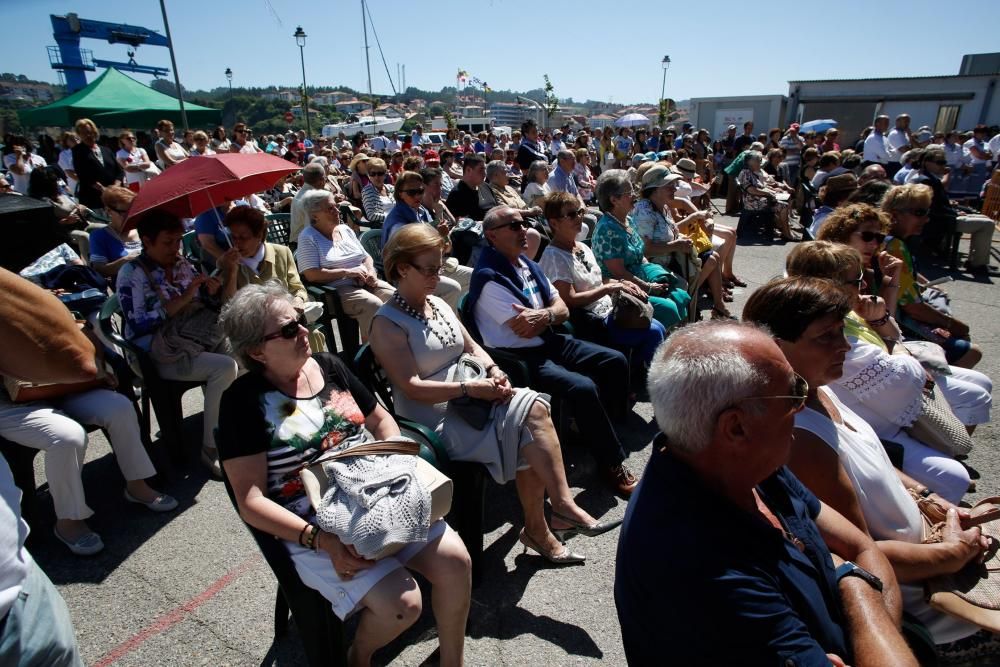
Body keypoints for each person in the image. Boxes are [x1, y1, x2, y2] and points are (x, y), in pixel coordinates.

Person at [616, 320, 916, 667]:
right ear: (736, 427)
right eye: (792, 392)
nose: (803, 404)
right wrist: (858, 587)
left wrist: (854, 588)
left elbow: (861, 547)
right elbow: (858, 559)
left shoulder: (749, 467)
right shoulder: (707, 573)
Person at [742, 277, 998, 660]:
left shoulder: (819, 391)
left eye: (841, 330)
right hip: (932, 606)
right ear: (775, 348)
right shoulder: (799, 440)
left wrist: (934, 501)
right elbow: (864, 555)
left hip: (938, 560)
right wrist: (953, 554)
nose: (844, 345)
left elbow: (875, 462)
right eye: (825, 337)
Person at [217, 283, 471, 667]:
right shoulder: (243, 401)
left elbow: (382, 421)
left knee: (456, 562)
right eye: (288, 330)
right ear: (256, 351)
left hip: (375, 490)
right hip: (313, 520)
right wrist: (323, 541)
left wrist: (397, 472)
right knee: (403, 606)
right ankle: (359, 656)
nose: (303, 331)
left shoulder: (328, 365)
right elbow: (251, 501)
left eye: (300, 320)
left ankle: (453, 662)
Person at [371, 224, 620, 563]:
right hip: (435, 421)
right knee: (527, 423)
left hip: (472, 399)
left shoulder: (437, 303)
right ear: (402, 268)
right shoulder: (387, 323)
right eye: (429, 268)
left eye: (440, 266)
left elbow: (473, 346)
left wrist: (493, 371)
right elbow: (412, 387)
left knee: (532, 409)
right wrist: (470, 387)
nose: (437, 275)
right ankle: (547, 521)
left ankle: (556, 510)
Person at [783, 242, 986, 504]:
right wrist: (895, 343)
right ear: (829, 285)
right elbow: (908, 376)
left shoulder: (845, 312)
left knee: (976, 391)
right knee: (953, 477)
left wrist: (884, 324)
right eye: (857, 279)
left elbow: (890, 330)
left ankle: (936, 470)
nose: (865, 285)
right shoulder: (831, 330)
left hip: (874, 407)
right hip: (873, 420)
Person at [463, 206, 638, 496]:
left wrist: (544, 316)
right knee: (582, 388)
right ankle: (611, 462)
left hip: (548, 340)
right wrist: (550, 315)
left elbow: (561, 309)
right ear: (492, 236)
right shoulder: (489, 277)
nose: (523, 230)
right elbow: (525, 327)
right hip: (519, 357)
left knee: (614, 361)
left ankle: (596, 428)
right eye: (514, 226)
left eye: (524, 223)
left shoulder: (526, 265)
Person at [0, 268, 112, 664]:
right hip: (13, 404)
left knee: (116, 408)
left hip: (17, 596)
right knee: (66, 436)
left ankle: (139, 482)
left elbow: (77, 359)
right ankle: (69, 521)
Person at [116, 209, 239, 476]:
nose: (175, 248)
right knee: (225, 368)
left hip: (194, 337)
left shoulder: (181, 263)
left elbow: (208, 304)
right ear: (147, 242)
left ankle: (235, 427)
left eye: (178, 241)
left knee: (243, 352)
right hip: (156, 352)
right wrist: (185, 298)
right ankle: (211, 448)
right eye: (167, 243)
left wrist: (220, 278)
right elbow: (138, 325)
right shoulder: (131, 274)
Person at [539, 191, 666, 389]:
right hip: (590, 320)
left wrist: (621, 283)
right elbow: (569, 300)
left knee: (656, 324)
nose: (579, 217)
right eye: (571, 215)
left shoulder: (581, 246)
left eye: (580, 211)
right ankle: (647, 383)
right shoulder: (554, 256)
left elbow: (598, 278)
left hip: (609, 308)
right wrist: (610, 287)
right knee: (654, 333)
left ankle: (631, 375)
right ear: (554, 223)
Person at [880, 185, 982, 369]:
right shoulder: (894, 246)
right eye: (919, 212)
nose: (926, 219)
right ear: (895, 214)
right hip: (897, 323)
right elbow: (912, 307)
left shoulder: (890, 240)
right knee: (971, 350)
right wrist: (953, 324)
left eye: (927, 213)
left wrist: (925, 283)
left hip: (892, 317)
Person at [590, 169, 692, 330]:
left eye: (633, 190)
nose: (635, 196)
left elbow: (641, 254)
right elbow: (619, 273)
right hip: (621, 288)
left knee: (678, 293)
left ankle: (674, 339)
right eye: (629, 192)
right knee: (669, 308)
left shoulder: (628, 220)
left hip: (640, 278)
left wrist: (654, 275)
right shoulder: (607, 229)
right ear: (614, 199)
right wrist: (648, 286)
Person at [631, 166, 732, 319]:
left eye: (674, 184)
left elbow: (669, 232)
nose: (675, 188)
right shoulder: (644, 211)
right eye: (669, 185)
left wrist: (681, 237)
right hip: (658, 266)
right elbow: (645, 249)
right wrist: (676, 245)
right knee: (710, 261)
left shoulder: (662, 206)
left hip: (673, 258)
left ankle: (713, 306)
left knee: (712, 257)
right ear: (655, 189)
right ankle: (696, 306)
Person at [295, 189, 393, 340]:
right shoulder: (308, 237)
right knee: (372, 304)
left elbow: (366, 257)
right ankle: (373, 355)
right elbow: (311, 274)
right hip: (336, 289)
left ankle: (396, 343)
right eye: (330, 208)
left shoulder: (345, 229)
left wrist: (371, 272)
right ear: (315, 215)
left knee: (396, 297)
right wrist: (347, 272)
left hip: (365, 281)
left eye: (336, 206)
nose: (337, 211)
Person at [380, 170, 469, 306]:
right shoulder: (398, 222)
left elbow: (445, 248)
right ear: (400, 194)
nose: (417, 195)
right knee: (452, 289)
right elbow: (406, 258)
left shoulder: (421, 212)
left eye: (420, 191)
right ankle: (440, 323)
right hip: (410, 273)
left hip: (431, 265)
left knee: (473, 277)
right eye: (411, 192)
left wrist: (443, 236)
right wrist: (440, 237)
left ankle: (458, 315)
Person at [908, 146, 997, 275]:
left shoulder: (930, 178)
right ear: (927, 162)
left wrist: (952, 207)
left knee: (985, 219)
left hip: (943, 216)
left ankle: (975, 260)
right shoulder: (926, 181)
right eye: (939, 162)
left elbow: (937, 203)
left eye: (944, 162)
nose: (943, 165)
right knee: (987, 225)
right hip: (938, 221)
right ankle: (977, 264)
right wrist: (954, 212)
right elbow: (930, 208)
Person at [737, 150, 796, 240]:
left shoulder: (753, 172)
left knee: (785, 198)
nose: (760, 163)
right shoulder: (745, 173)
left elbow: (761, 186)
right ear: (750, 162)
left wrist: (772, 190)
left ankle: (784, 229)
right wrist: (768, 193)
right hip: (753, 202)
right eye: (758, 161)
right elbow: (751, 190)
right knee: (783, 205)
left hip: (761, 199)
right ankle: (786, 232)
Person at [87, 186, 142, 277]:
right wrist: (128, 260)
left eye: (133, 210)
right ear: (108, 211)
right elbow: (99, 270)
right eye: (124, 212)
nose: (130, 215)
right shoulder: (99, 236)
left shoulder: (143, 228)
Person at [71, 118, 123, 211]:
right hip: (93, 200)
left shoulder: (106, 150)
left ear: (95, 131)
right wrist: (103, 190)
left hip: (113, 198)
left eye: (89, 132)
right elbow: (83, 175)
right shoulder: (78, 151)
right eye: (83, 133)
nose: (88, 135)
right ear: (79, 135)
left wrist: (115, 187)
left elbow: (119, 171)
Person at [444, 153, 490, 222]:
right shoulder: (457, 195)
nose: (485, 173)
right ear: (468, 170)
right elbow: (458, 225)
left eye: (485, 169)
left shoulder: (486, 187)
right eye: (481, 170)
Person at [360, 158, 394, 227]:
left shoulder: (391, 188)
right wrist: (394, 217)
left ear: (385, 174)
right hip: (382, 227)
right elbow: (371, 216)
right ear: (369, 175)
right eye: (373, 174)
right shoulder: (367, 191)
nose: (376, 177)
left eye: (380, 173)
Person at [57, 131, 80, 196]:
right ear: (66, 142)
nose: (75, 140)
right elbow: (69, 173)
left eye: (77, 138)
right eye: (72, 139)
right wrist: (84, 182)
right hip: (74, 185)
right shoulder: (64, 155)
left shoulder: (85, 152)